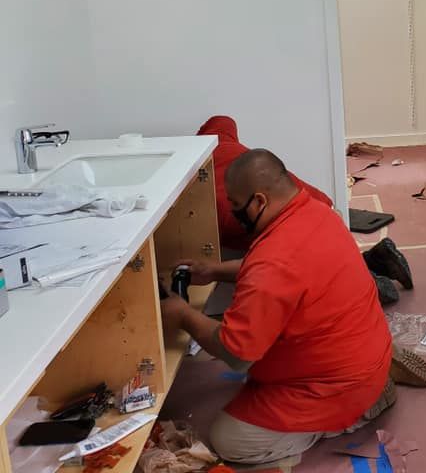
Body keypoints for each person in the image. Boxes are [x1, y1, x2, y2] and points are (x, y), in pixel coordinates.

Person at [160, 149, 408, 464]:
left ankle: (357, 412)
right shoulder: (315, 212)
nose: (235, 212)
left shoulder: (273, 262)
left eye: (236, 205)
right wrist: (214, 271)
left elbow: (237, 354)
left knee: (230, 440)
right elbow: (280, 269)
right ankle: (376, 380)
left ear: (259, 201)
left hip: (339, 386)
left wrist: (184, 316)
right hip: (362, 352)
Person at [196, 115, 412, 304]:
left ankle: (371, 284)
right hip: (318, 202)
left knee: (317, 277)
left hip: (296, 217)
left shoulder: (219, 213)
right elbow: (222, 119)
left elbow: (264, 268)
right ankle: (377, 258)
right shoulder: (216, 139)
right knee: (327, 258)